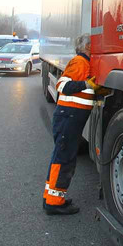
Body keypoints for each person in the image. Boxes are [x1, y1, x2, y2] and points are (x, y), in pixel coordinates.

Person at [43, 33, 97, 215]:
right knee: (64, 158)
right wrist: (86, 85)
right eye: (94, 45)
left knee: (60, 156)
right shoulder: (79, 62)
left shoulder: (84, 63)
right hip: (69, 116)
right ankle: (54, 203)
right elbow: (62, 85)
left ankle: (51, 197)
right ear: (87, 47)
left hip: (70, 117)